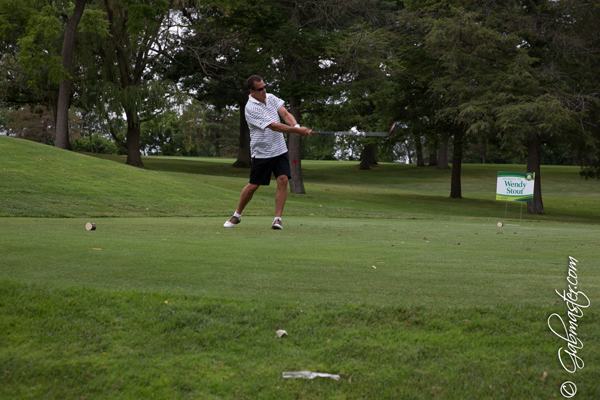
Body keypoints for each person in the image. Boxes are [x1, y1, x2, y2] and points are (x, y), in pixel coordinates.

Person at [224, 75, 313, 230]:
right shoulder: (250, 108)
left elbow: (285, 114)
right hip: (262, 152)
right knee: (253, 186)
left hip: (279, 149)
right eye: (260, 89)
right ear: (252, 91)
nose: (264, 91)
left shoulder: (270, 98)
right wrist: (296, 131)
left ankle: (277, 219)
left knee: (283, 179)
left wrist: (297, 126)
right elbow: (274, 126)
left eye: (265, 87)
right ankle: (237, 215)